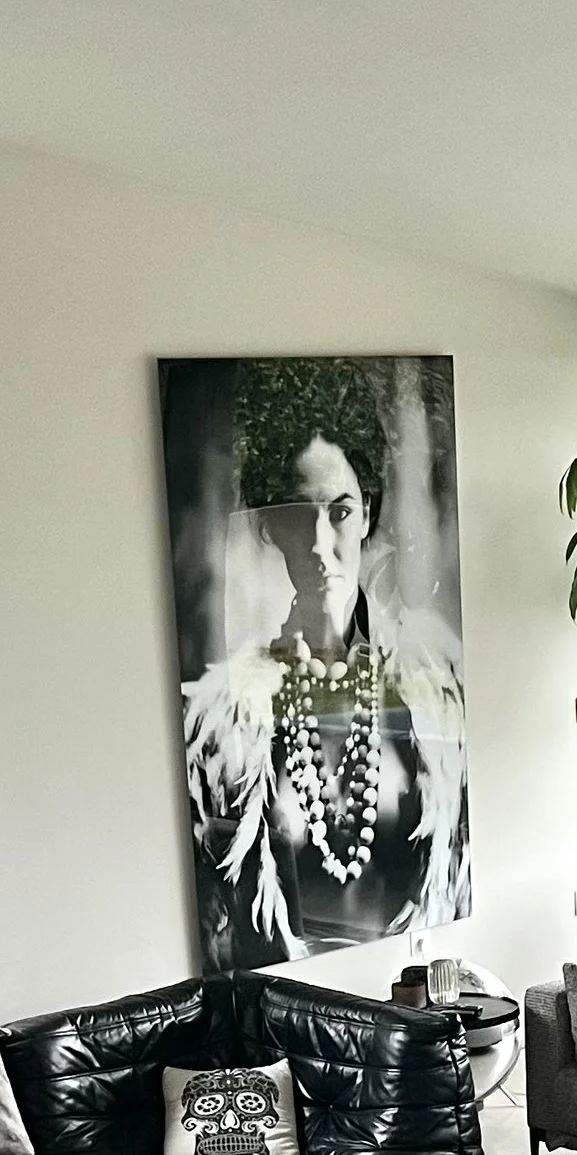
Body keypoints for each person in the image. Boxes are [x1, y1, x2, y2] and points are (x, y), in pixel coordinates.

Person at [181, 365, 468, 967]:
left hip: (407, 978)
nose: (317, 545)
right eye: (294, 516)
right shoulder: (229, 718)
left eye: (339, 512)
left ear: (367, 515)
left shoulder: (430, 685)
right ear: (269, 530)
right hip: (290, 1006)